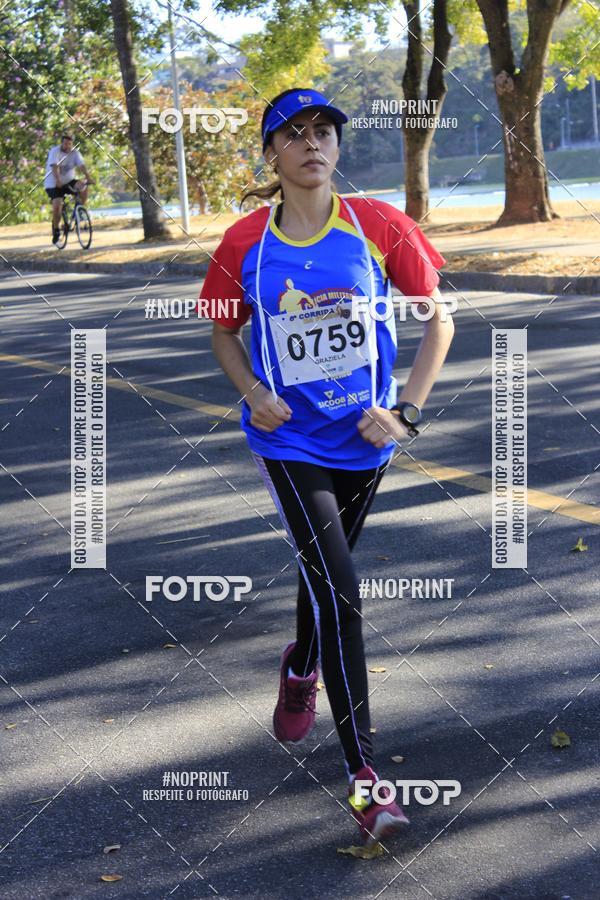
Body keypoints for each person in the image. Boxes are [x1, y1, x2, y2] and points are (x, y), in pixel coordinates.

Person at [199, 87, 455, 846]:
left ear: (338, 148)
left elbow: (437, 318)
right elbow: (222, 333)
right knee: (341, 589)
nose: (314, 144)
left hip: (367, 440)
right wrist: (252, 391)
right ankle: (366, 780)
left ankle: (301, 664)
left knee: (324, 578)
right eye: (295, 134)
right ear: (272, 155)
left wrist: (404, 410)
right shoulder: (245, 242)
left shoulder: (378, 225)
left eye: (326, 132)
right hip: (289, 443)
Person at [44, 133, 94, 245]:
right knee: (57, 207)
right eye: (65, 143)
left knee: (83, 186)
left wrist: (88, 177)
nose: (67, 146)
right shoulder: (55, 151)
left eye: (70, 144)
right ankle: (56, 230)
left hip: (68, 181)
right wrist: (57, 181)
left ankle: (81, 209)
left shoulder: (75, 153)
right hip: (53, 184)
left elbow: (81, 166)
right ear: (61, 143)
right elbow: (55, 167)